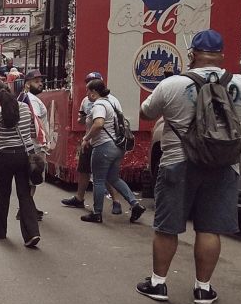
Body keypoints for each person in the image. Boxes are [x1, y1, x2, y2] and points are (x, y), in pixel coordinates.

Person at [136, 29, 241, 304]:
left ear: (193, 55)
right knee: (209, 229)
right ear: (222, 55)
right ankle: (203, 289)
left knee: (168, 228)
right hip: (224, 165)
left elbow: (145, 112)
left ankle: (158, 284)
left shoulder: (172, 84)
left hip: (178, 162)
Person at [0, 82, 41, 247]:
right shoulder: (25, 108)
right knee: (24, 193)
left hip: (5, 157)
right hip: (23, 155)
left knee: (3, 194)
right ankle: (32, 233)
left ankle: (0, 231)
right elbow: (31, 131)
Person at [78, 79, 146, 224]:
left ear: (94, 92)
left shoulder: (99, 105)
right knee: (113, 178)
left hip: (103, 146)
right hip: (116, 147)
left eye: (88, 91)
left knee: (98, 180)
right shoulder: (111, 102)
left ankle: (97, 213)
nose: (87, 94)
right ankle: (135, 204)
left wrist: (86, 138)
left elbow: (99, 124)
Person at [62, 72, 124, 213]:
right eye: (89, 82)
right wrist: (86, 122)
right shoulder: (86, 101)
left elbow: (109, 122)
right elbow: (80, 118)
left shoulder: (111, 100)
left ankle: (114, 202)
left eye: (93, 83)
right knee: (83, 170)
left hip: (104, 142)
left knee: (104, 176)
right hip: (90, 140)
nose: (90, 87)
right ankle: (79, 198)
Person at [17, 70, 50, 220]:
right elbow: (36, 121)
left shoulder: (22, 97)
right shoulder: (32, 100)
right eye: (36, 81)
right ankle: (26, 210)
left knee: (27, 179)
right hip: (34, 145)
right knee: (33, 179)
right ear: (27, 84)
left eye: (41, 80)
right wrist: (43, 140)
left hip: (25, 143)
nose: (41, 83)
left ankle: (27, 207)